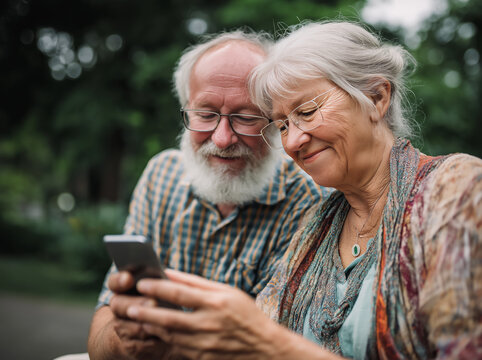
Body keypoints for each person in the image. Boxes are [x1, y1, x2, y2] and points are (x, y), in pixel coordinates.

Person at [121, 21, 482, 359]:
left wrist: (267, 342)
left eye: (307, 112)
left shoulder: (457, 190)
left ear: (376, 97)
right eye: (280, 125)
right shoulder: (318, 224)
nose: (292, 141)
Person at [86, 29, 329, 360]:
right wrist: (124, 339)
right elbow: (105, 318)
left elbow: (270, 347)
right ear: (187, 109)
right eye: (206, 114)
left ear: (274, 121)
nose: (223, 137)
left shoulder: (307, 201)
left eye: (245, 117)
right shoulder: (161, 176)